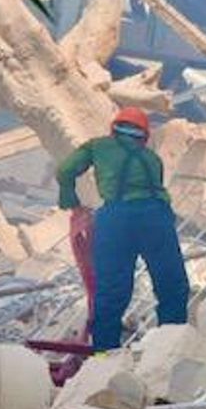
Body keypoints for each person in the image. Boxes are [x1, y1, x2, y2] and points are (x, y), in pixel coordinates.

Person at [57, 107, 190, 351]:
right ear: (144, 135)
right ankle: (169, 351)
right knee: (172, 285)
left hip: (115, 220)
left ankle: (104, 358)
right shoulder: (151, 158)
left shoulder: (97, 146)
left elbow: (65, 170)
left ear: (114, 128)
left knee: (110, 291)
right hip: (155, 218)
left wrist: (70, 201)